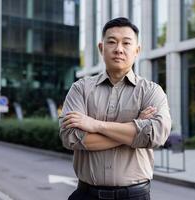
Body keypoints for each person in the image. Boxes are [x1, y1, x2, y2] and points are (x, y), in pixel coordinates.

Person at [59, 17, 171, 200]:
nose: (119, 48)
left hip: (134, 196)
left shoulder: (151, 91)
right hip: (86, 195)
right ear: (101, 48)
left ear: (137, 50)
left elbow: (155, 135)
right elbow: (70, 137)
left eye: (126, 43)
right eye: (112, 42)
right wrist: (133, 131)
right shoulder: (80, 89)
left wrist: (95, 125)